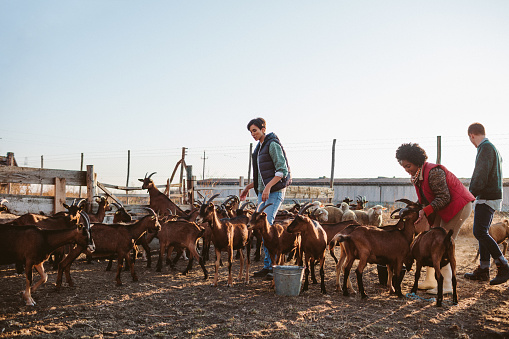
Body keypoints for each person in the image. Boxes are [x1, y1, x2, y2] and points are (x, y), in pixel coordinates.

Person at [396, 142, 474, 294]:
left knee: (442, 243)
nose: (407, 170)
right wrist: (415, 208)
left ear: (417, 161)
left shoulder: (433, 172)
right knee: (431, 240)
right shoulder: (418, 175)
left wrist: (424, 211)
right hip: (443, 209)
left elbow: (444, 197)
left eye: (408, 166)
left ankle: (446, 285)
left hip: (458, 207)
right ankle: (430, 280)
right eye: (404, 167)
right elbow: (426, 198)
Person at [240, 118, 291, 279]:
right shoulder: (260, 148)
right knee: (261, 227)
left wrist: (268, 187)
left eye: (255, 130)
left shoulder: (272, 145)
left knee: (266, 226)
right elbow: (263, 176)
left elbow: (282, 171)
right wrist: (249, 187)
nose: (253, 134)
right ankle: (268, 266)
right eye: (251, 132)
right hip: (264, 193)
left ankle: (272, 266)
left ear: (263, 129)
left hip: (274, 192)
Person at [464, 123, 509, 285]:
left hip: (487, 197)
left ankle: (503, 265)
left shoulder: (485, 148)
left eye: (470, 139)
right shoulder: (492, 148)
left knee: (480, 231)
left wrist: (470, 195)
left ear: (472, 135)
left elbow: (480, 174)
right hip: (490, 196)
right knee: (483, 232)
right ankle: (483, 270)